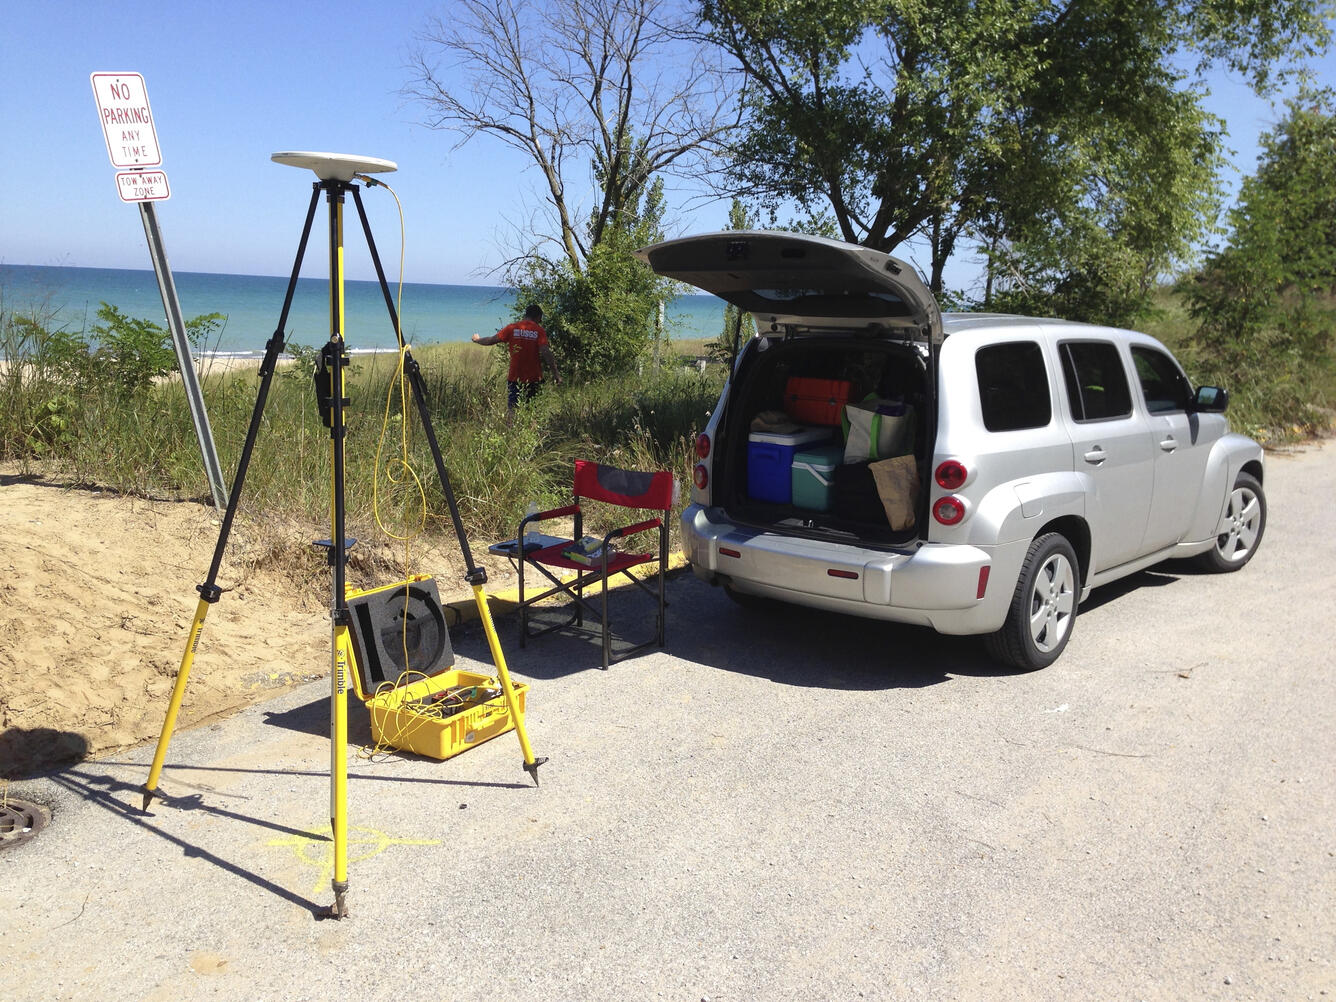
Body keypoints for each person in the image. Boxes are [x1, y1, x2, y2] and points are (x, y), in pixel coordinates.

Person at [471, 304, 561, 411]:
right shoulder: (539, 331)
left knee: (513, 410)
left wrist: (477, 340)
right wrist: (556, 374)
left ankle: (511, 428)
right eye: (540, 318)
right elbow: (546, 352)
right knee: (532, 411)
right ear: (537, 316)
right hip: (534, 379)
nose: (540, 321)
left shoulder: (512, 328)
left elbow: (491, 340)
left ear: (526, 315)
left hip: (515, 378)